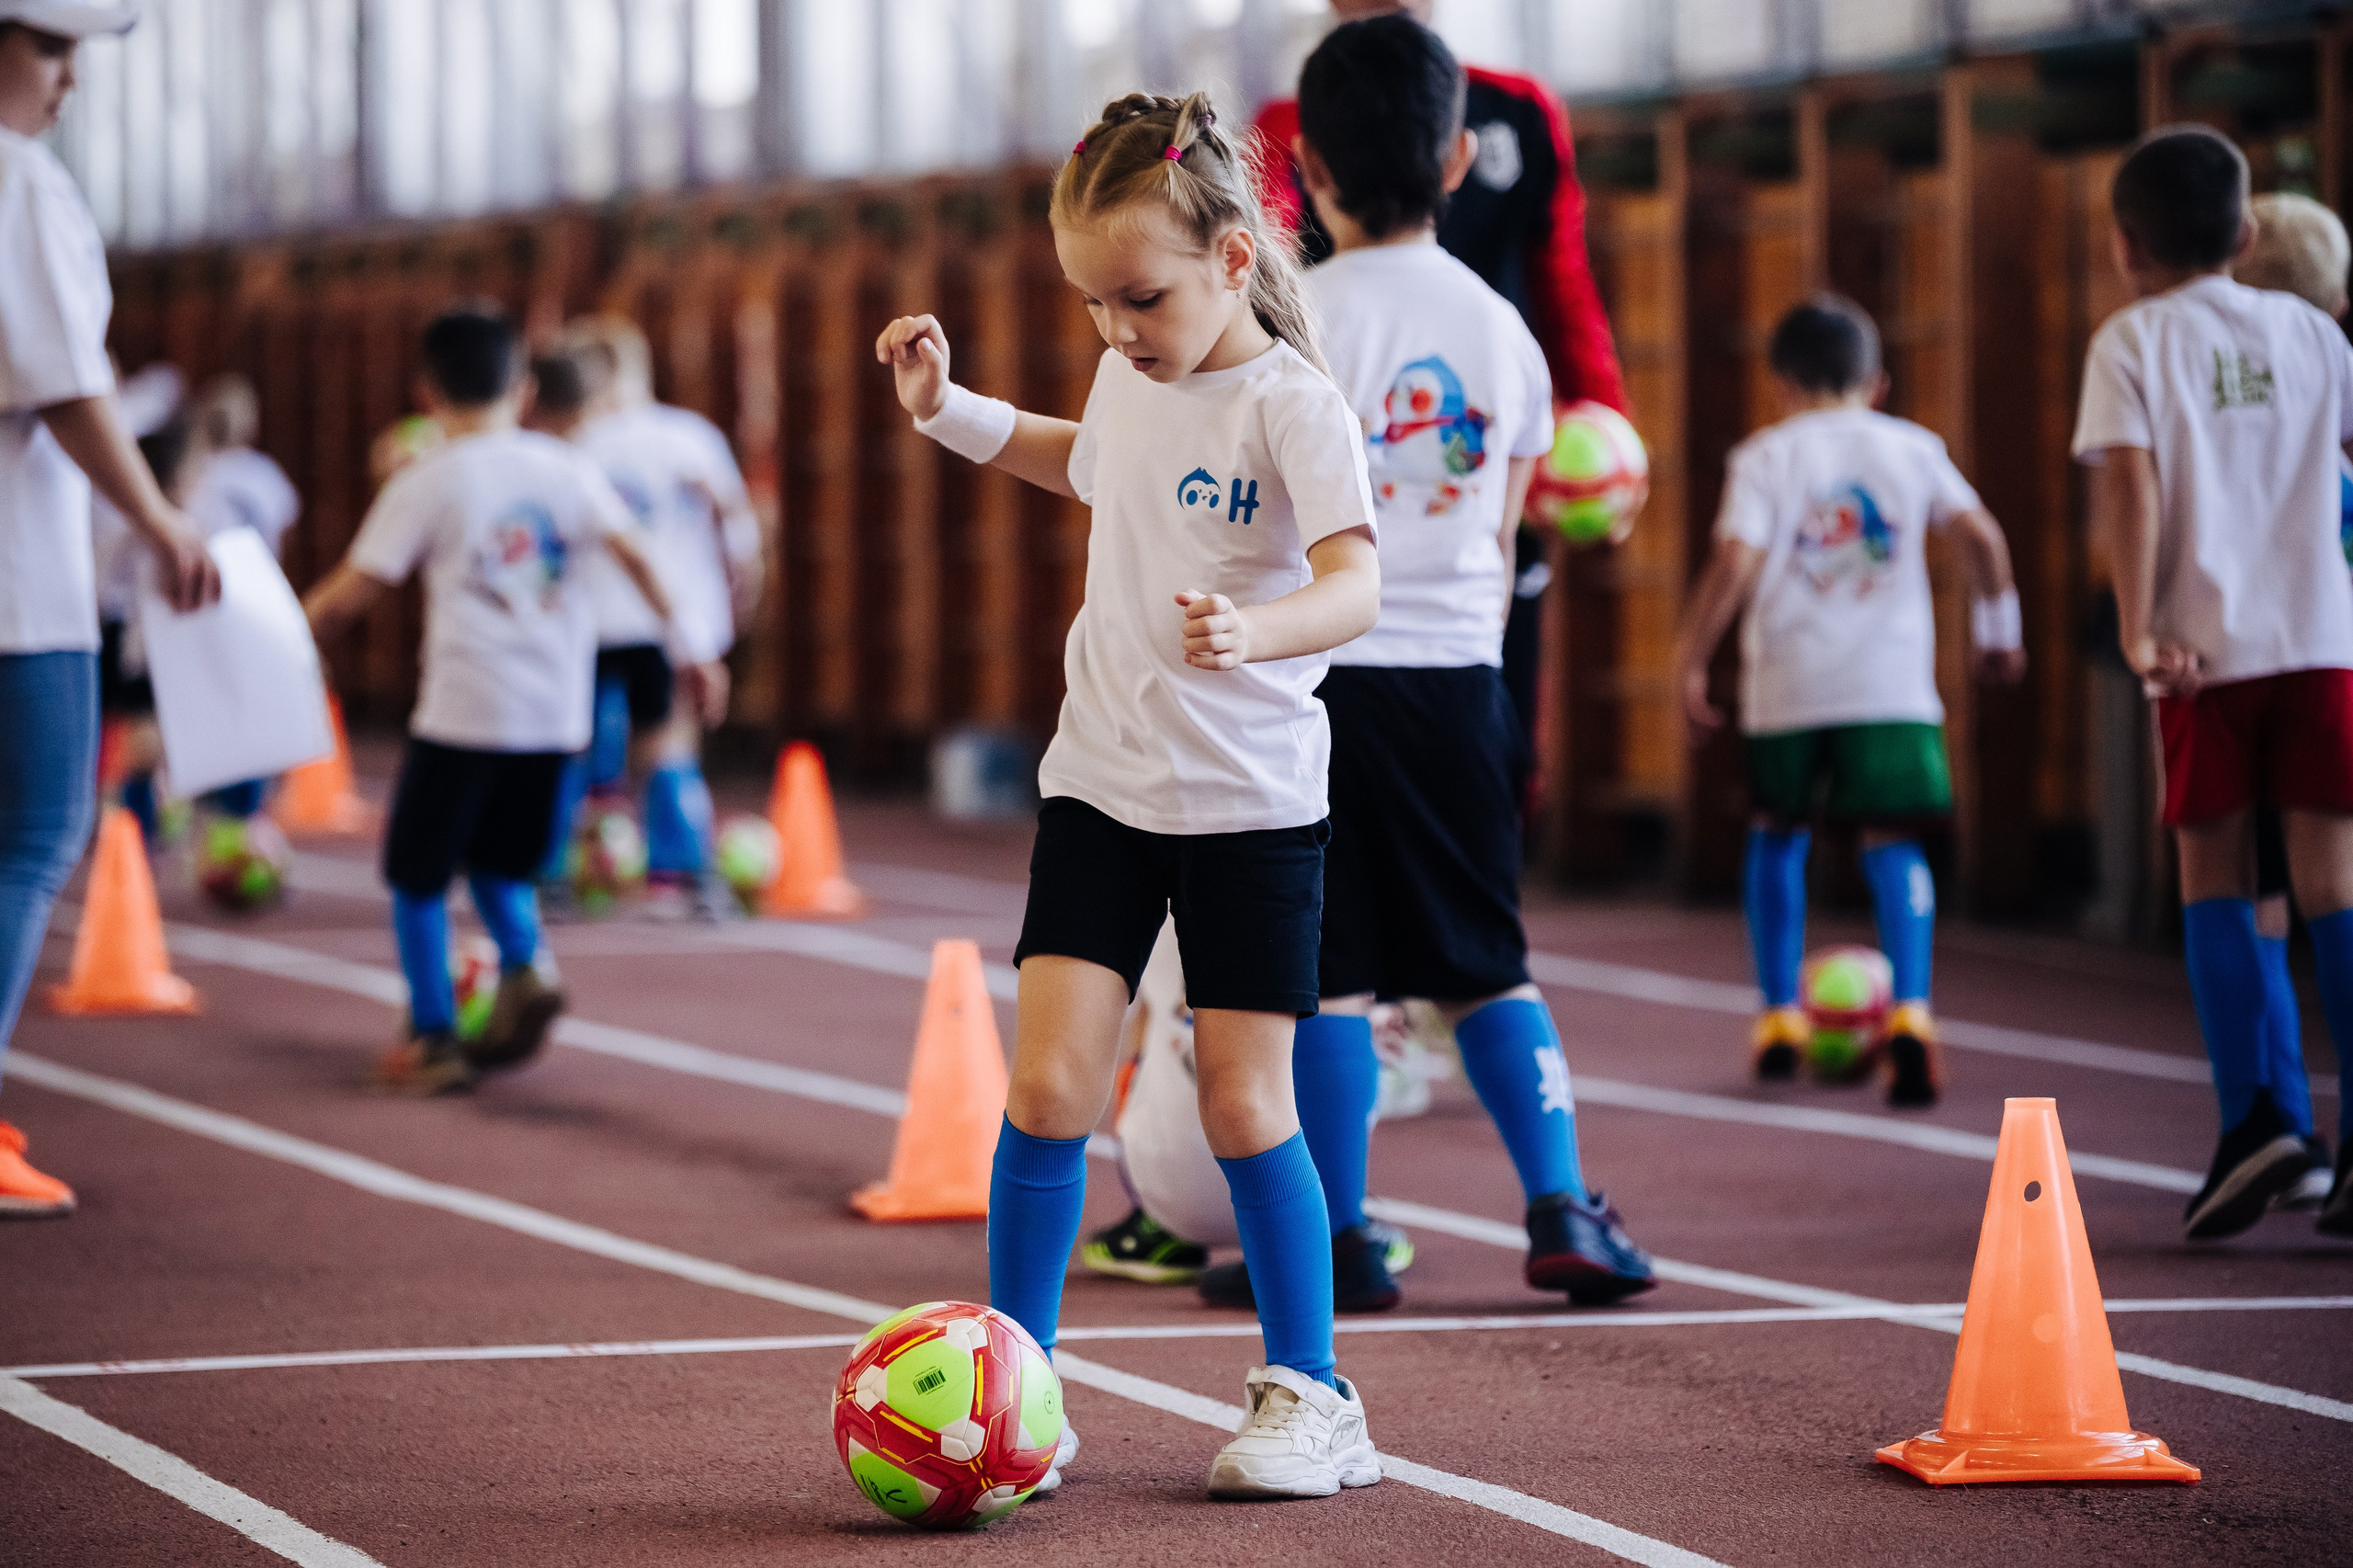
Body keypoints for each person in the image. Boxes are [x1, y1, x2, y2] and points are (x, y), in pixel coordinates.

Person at [878, 89, 1385, 1500]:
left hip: (1250, 804)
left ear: (1232, 259)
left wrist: (1262, 630)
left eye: (1140, 298)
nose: (1116, 331)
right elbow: (1085, 464)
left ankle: (1312, 1392)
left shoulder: (1294, 402)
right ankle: (1015, 1393)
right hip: (1099, 784)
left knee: (1241, 1104)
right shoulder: (1128, 377)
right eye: (1095, 304)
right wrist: (947, 412)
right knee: (1046, 1087)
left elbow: (1356, 577)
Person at [1187, 14, 1654, 1316]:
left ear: (1309, 173)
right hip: (1461, 680)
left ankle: (1337, 1232)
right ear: (1458, 162)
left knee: (1325, 970)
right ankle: (1561, 1201)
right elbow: (1505, 532)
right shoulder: (1504, 333)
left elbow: (1253, 514)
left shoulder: (1284, 327)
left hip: (1317, 678)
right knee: (1484, 956)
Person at [2075, 128, 2353, 1241]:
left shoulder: (2131, 340)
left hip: (2205, 652)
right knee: (2333, 887)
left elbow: (2131, 492)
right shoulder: (2316, 334)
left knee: (2217, 880)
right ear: (2246, 234)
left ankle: (2261, 1120)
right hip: (2322, 641)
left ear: (2120, 245)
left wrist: (2142, 627)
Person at [303, 306, 674, 1094]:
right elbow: (636, 553)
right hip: (553, 718)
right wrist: (692, 647)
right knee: (503, 860)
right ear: (525, 387)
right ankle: (526, 965)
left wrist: (291, 636)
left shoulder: (428, 476)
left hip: (465, 712)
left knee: (417, 875)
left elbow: (357, 588)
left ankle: (433, 1033)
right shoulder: (564, 467)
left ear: (425, 391)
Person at [1247, 0, 1628, 761]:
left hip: (1487, 438)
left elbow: (1562, 276)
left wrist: (1604, 420)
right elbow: (1266, 275)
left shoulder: (1519, 110)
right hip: (1336, 447)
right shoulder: (1292, 118)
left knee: (1493, 691)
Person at [1674, 294, 2024, 1108]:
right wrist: (1998, 628)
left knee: (1777, 832)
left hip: (1790, 681)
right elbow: (1983, 536)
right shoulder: (1914, 447)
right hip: (1891, 683)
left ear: (1781, 384)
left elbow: (1735, 559)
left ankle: (1778, 1018)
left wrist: (1691, 658)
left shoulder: (1766, 455)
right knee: (1894, 839)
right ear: (1878, 383)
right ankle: (1911, 1011)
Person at [0, 6, 219, 1219]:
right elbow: (68, 385)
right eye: (48, 46)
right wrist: (160, 521)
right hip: (17, 592)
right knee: (32, 833)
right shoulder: (20, 183)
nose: (70, 77)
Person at [538, 320, 749, 916]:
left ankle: (549, 872)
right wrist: (737, 594)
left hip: (592, 621)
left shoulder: (578, 445)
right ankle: (687, 874)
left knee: (571, 746)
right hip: (667, 619)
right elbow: (734, 523)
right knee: (668, 745)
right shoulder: (691, 438)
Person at [2231, 190, 2353, 1209]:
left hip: (2261, 667)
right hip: (2333, 672)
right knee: (2338, 895)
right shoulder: (2336, 429)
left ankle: (2279, 1123)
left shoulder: (2245, 442)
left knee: (2266, 897)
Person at [184, 372, 301, 559]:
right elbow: (287, 528)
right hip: (258, 575)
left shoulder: (192, 471)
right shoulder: (266, 472)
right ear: (252, 423)